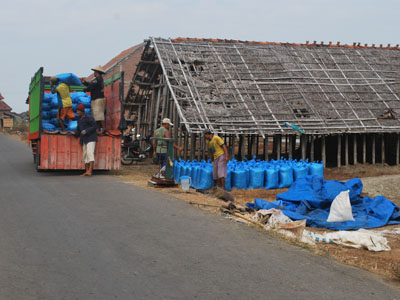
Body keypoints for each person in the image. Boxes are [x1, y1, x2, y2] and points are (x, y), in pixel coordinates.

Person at [73, 104, 98, 176]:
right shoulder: (79, 120)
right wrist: (73, 133)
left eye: (78, 111)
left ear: (82, 111)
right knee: (85, 155)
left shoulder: (88, 117)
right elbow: (78, 131)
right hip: (84, 139)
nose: (77, 112)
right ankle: (87, 171)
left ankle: (90, 171)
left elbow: (95, 126)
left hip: (91, 138)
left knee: (90, 153)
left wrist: (86, 131)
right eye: (77, 111)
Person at [81, 65, 106, 134]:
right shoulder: (97, 80)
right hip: (96, 99)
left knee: (99, 114)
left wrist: (85, 89)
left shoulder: (98, 79)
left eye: (94, 72)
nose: (94, 73)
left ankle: (104, 129)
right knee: (96, 115)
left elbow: (90, 86)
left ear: (97, 72)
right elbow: (90, 84)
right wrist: (85, 83)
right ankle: (98, 129)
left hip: (98, 99)